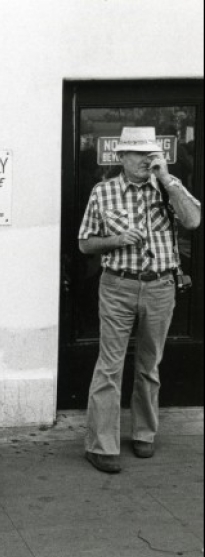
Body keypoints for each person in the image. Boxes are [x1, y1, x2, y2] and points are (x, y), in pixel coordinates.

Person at [78, 127, 201, 474]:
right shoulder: (103, 192)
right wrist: (116, 240)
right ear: (121, 157)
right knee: (110, 365)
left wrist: (168, 181)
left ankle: (144, 434)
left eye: (151, 153)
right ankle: (101, 445)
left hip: (161, 286)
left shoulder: (168, 186)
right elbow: (85, 243)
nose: (147, 159)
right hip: (118, 286)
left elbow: (193, 221)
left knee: (150, 364)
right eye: (138, 154)